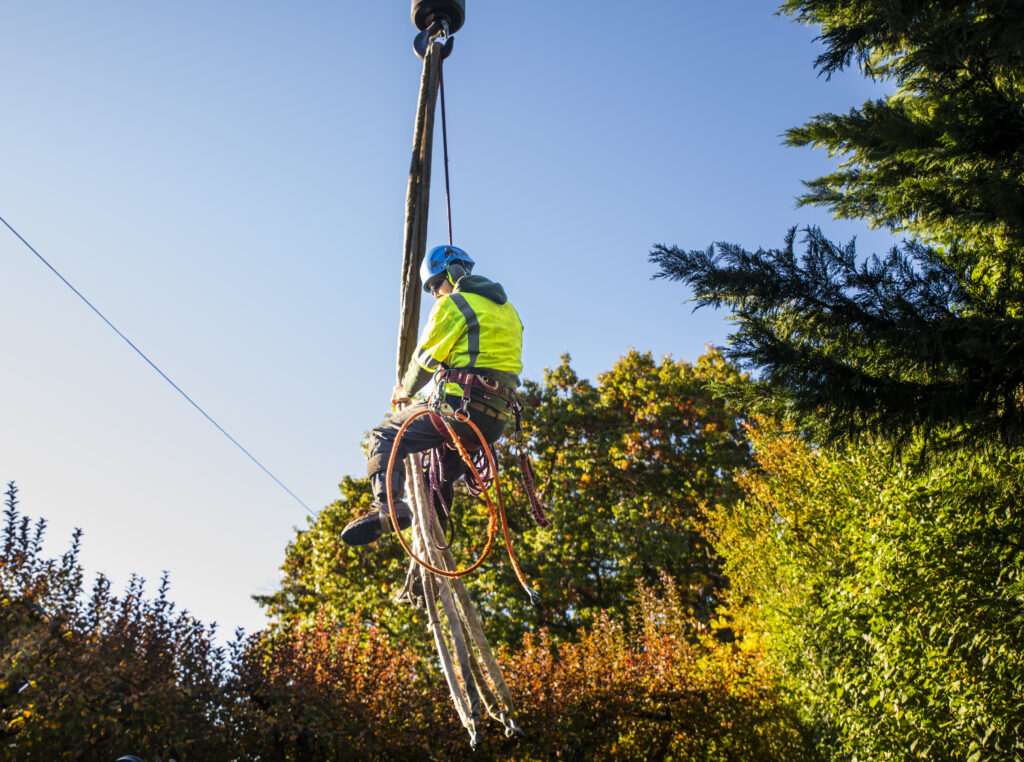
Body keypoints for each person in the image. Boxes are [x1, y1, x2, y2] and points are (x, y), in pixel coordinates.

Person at [341, 245, 523, 546]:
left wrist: (405, 390)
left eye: (436, 284)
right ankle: (431, 541)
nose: (436, 293)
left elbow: (425, 362)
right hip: (493, 422)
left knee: (384, 436)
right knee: (436, 479)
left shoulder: (455, 305)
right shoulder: (510, 312)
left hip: (458, 408)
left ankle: (388, 508)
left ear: (453, 273)